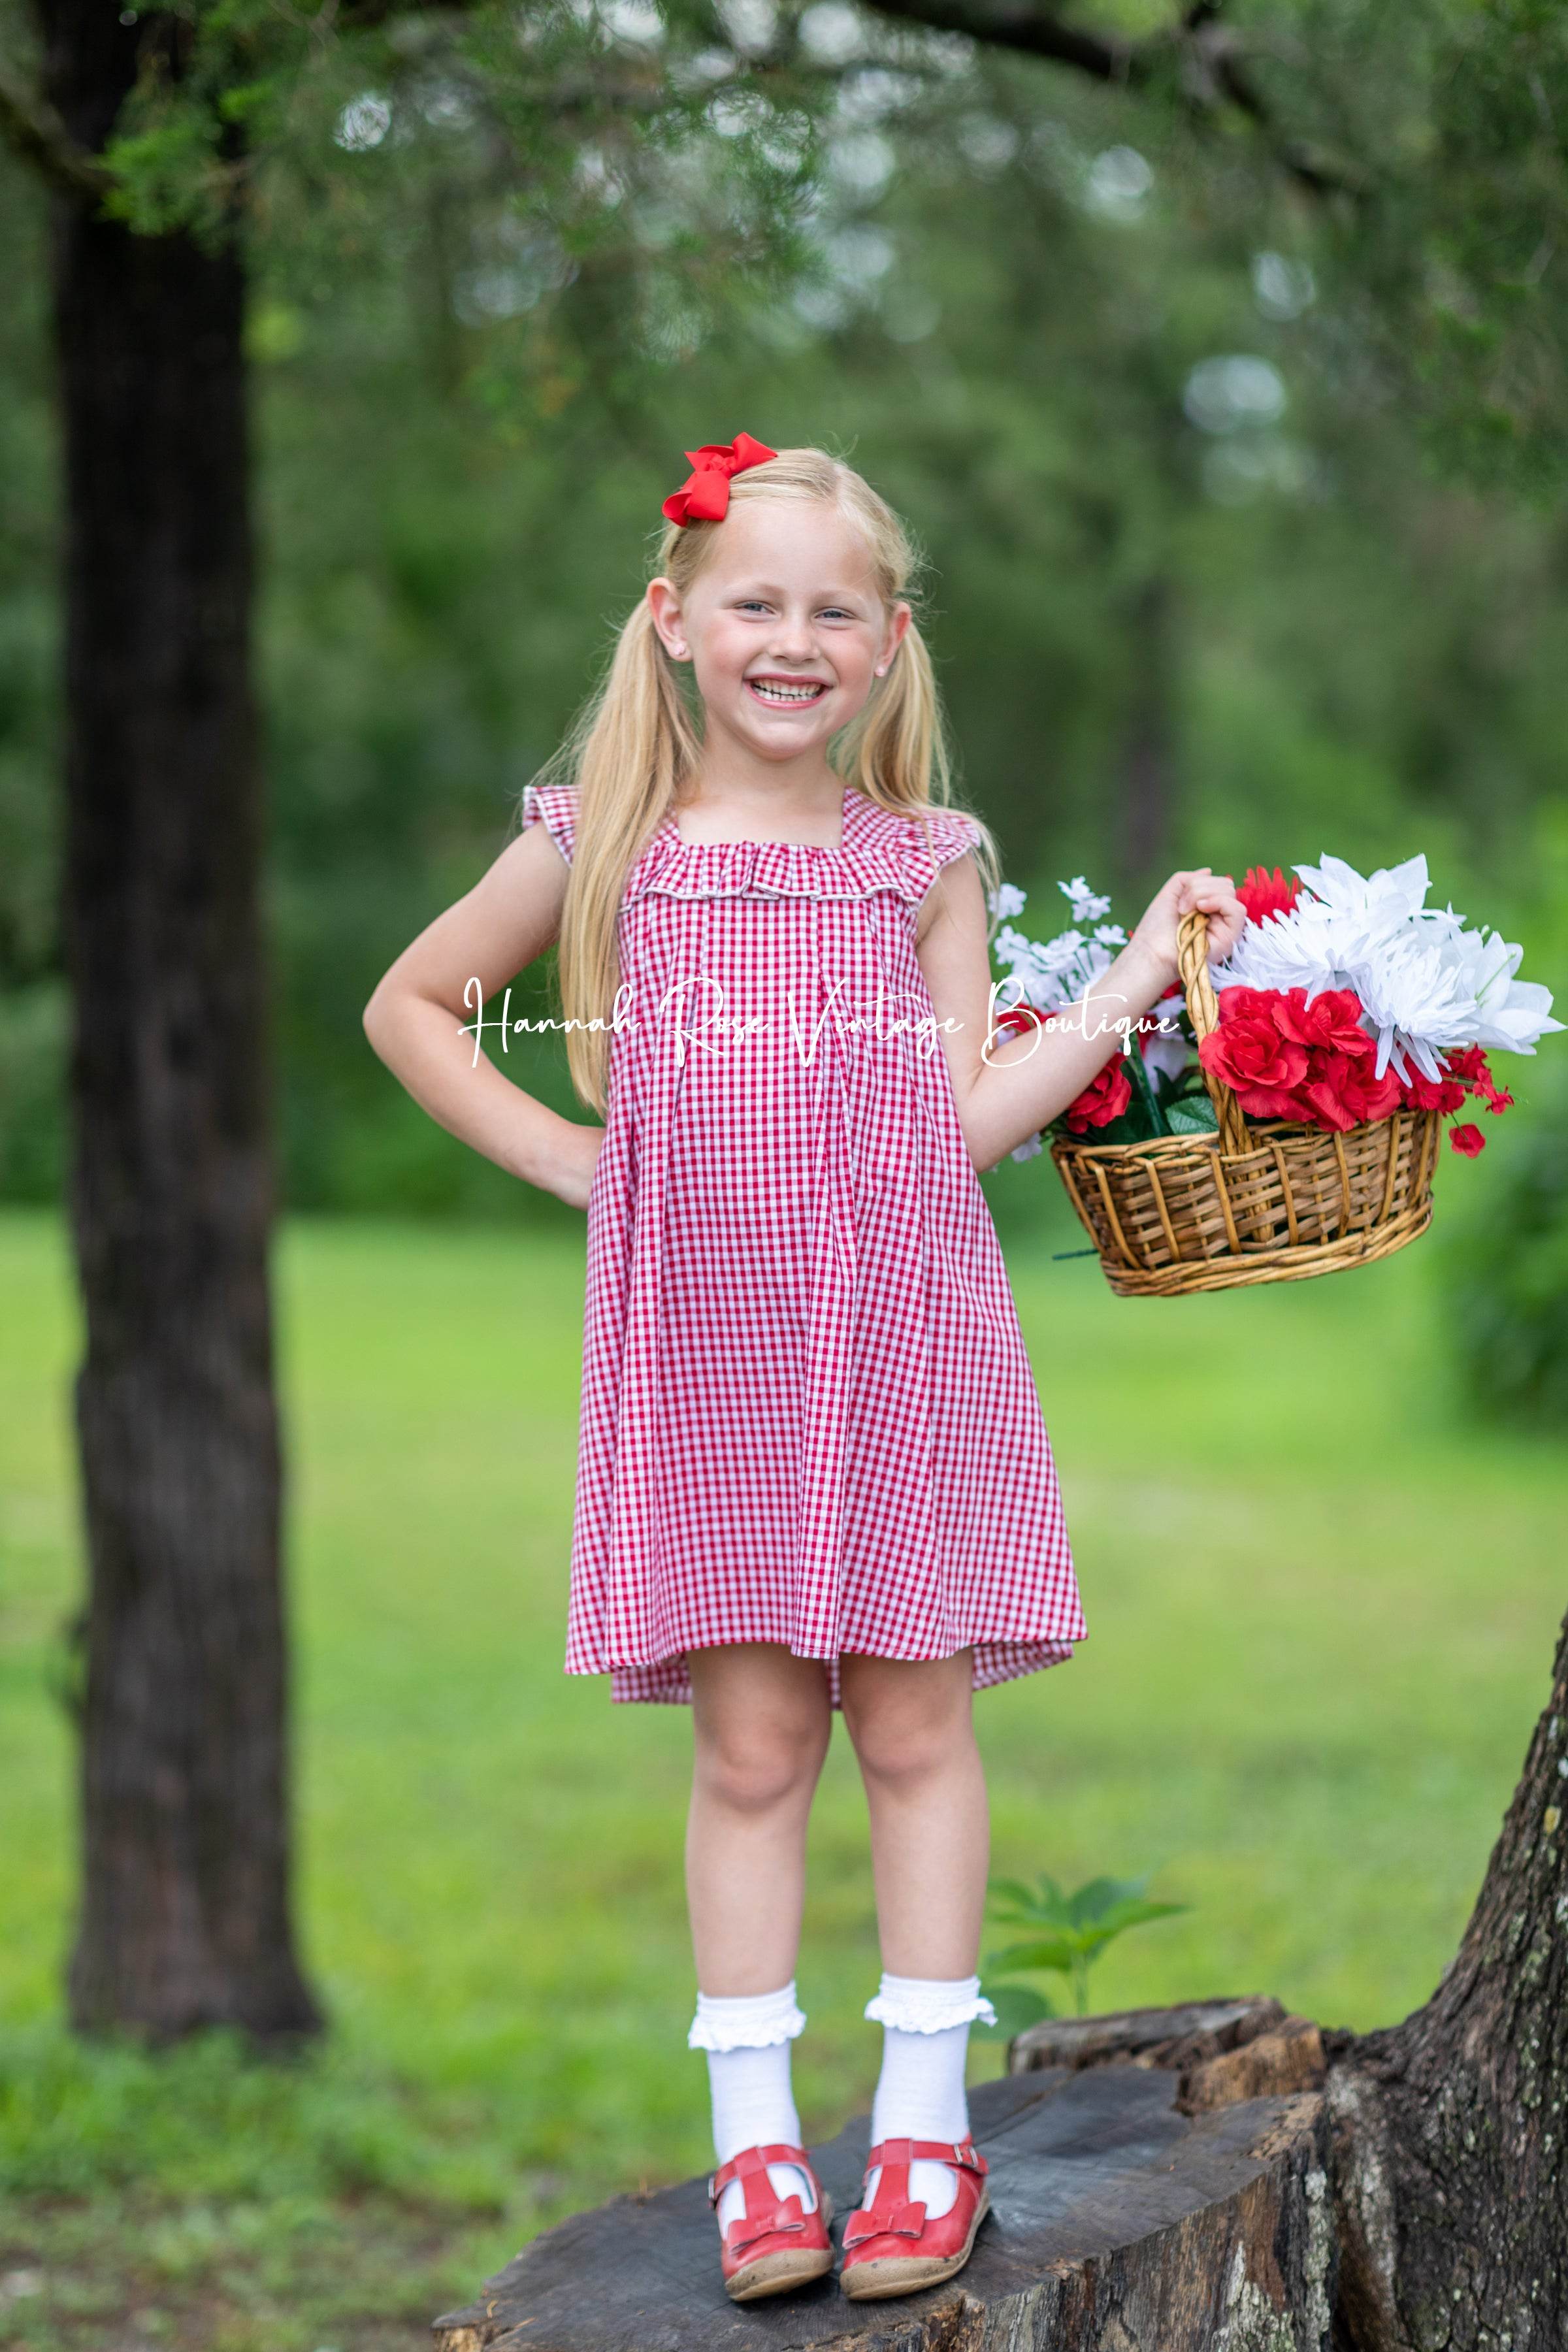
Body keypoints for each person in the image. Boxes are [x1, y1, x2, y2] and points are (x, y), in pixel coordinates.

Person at [363, 435, 1245, 2305]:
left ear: (888, 641)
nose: (793, 638)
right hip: (712, 1354)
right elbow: (413, 1007)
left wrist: (1134, 986)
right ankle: (759, 2152)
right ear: (675, 623)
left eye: (833, 609)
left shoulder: (921, 863)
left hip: (903, 1335)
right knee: (755, 1748)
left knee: (915, 1728)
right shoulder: (595, 840)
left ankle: (923, 2129)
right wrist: (588, 1169)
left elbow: (958, 1120)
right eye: (754, 603)